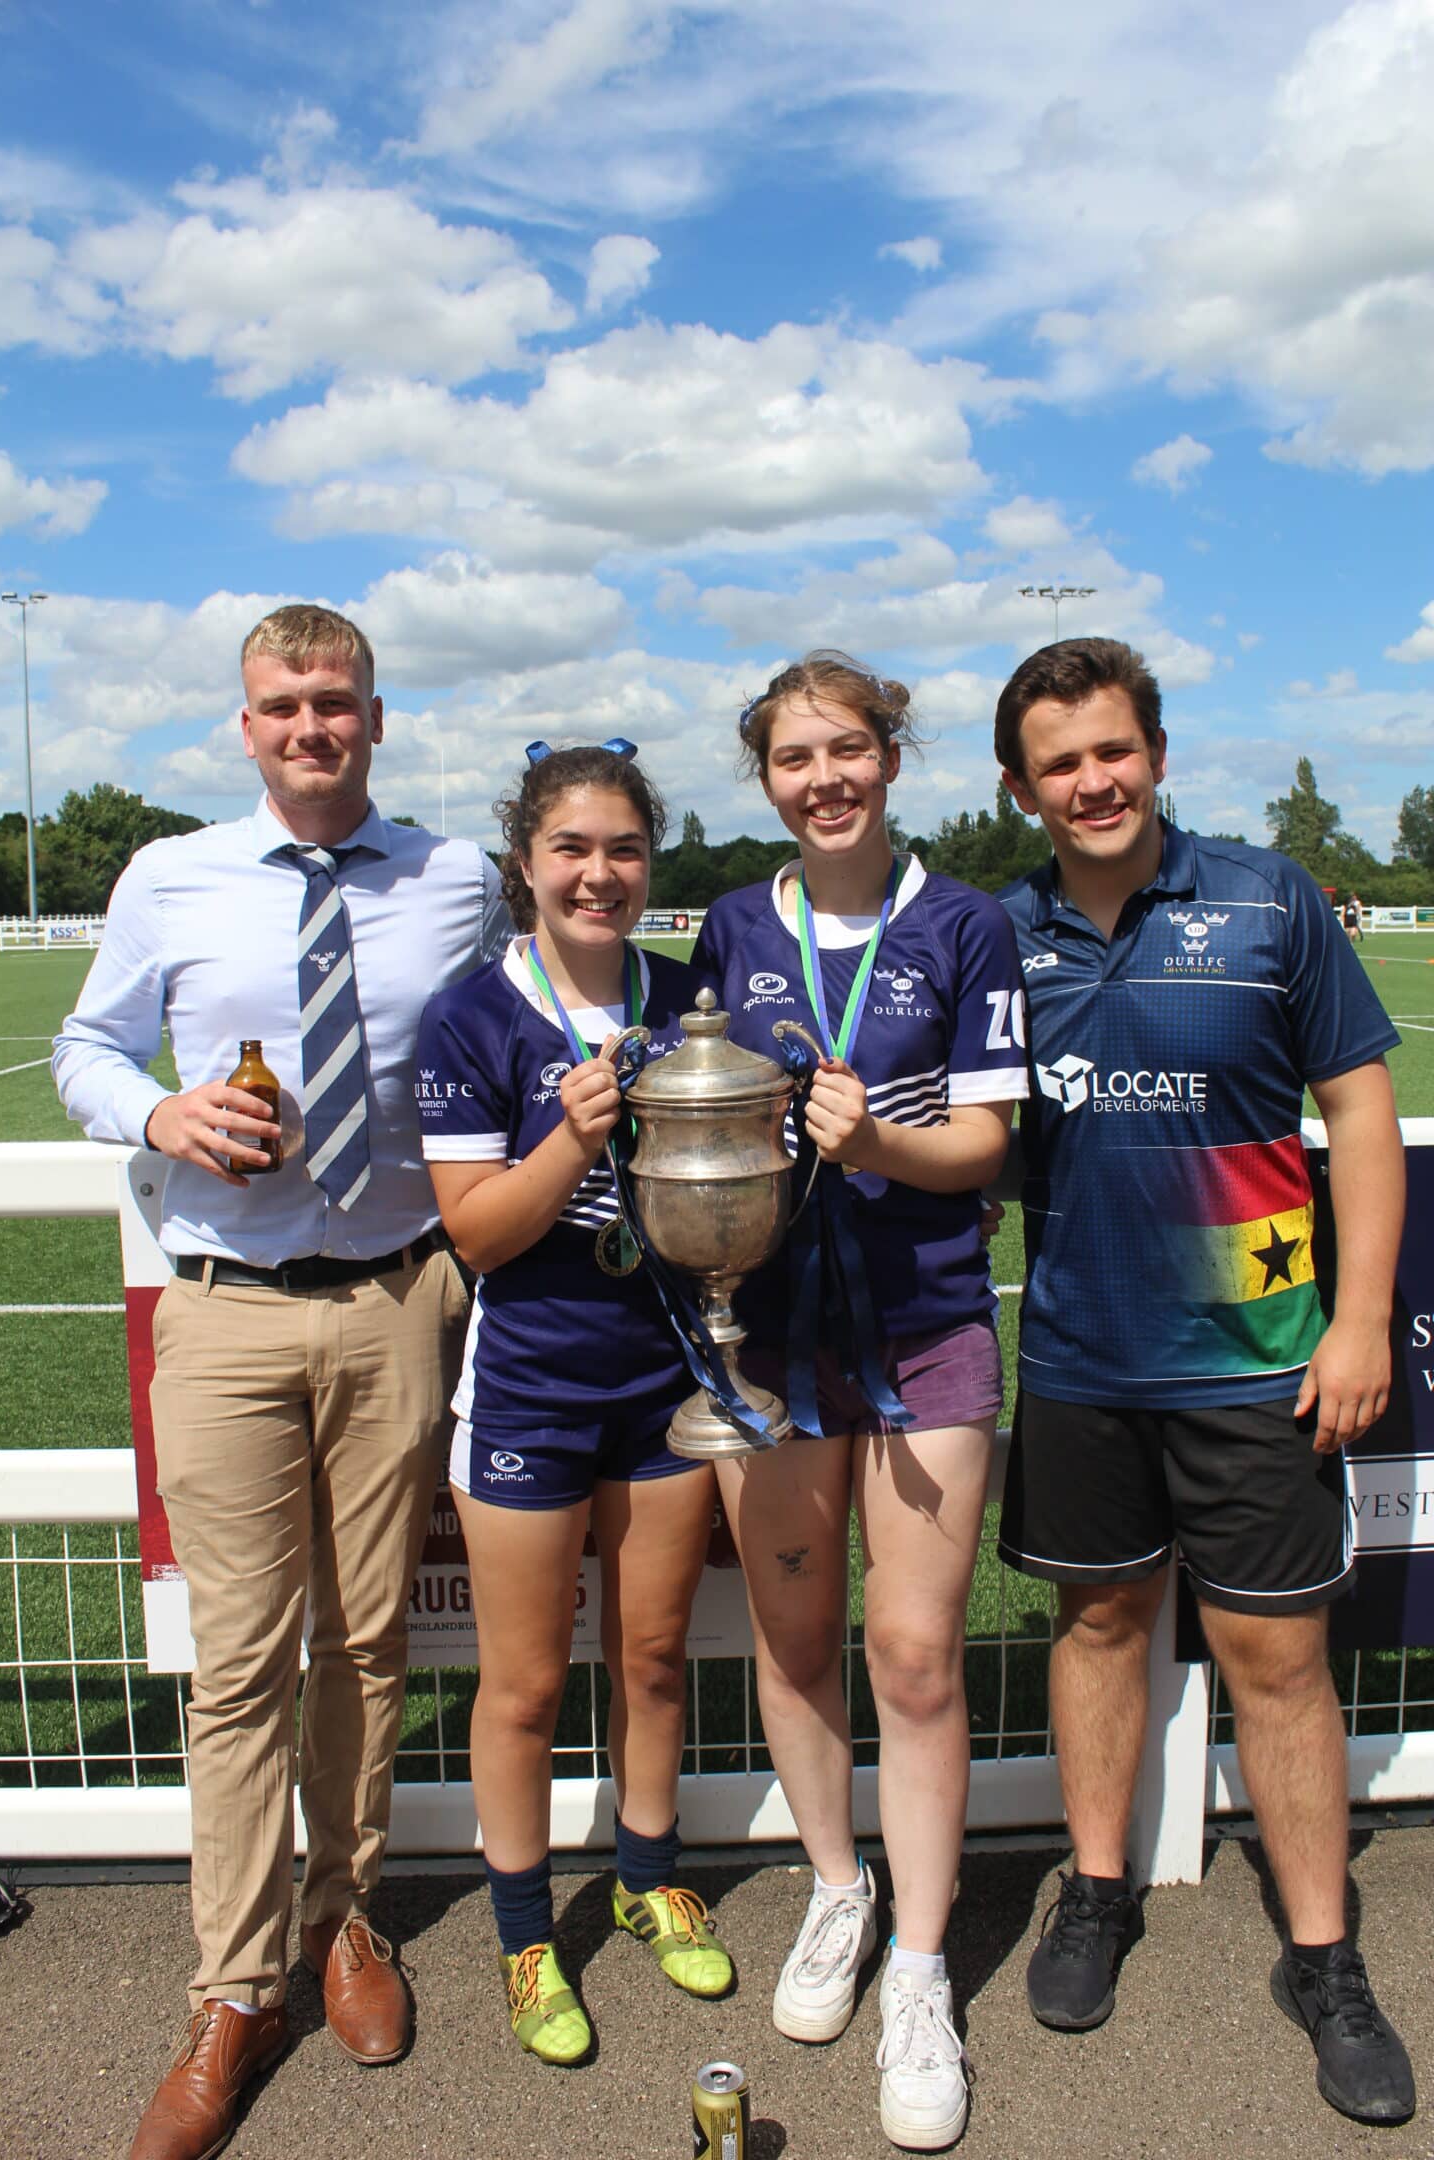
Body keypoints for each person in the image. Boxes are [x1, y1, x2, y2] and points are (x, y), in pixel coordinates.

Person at [53, 605, 511, 2160]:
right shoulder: (166, 877)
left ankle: (345, 1918)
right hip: (226, 1310)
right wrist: (156, 1114)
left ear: (376, 719)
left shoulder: (456, 879)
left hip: (395, 1303)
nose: (309, 727)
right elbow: (82, 1051)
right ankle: (235, 1987)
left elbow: (530, 1019)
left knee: (369, 1640)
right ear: (241, 727)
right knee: (240, 1664)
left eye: (335, 703)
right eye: (281, 706)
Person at [995, 637, 1414, 2127]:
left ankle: (1325, 1956)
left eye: (1114, 750)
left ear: (1157, 755)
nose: (1092, 781)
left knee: (1278, 1660)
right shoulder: (1001, 936)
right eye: (1060, 762)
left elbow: (1359, 1109)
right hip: (1082, 1358)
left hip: (1257, 1357)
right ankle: (1096, 1891)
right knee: (1099, 1620)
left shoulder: (1269, 898)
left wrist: (1358, 1319)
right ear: (1021, 787)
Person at [692, 653, 1028, 2152]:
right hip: (764, 1332)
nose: (822, 777)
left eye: (847, 749)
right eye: (792, 757)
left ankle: (919, 1967)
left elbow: (987, 1144)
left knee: (912, 1650)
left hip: (926, 1326)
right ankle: (837, 1887)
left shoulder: (965, 925)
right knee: (791, 1631)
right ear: (764, 778)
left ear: (892, 759)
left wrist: (884, 1150)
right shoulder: (729, 927)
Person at [416, 740, 732, 2067]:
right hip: (534, 1387)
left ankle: (648, 1872)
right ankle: (525, 1934)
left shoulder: (687, 996)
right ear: (525, 866)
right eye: (572, 849)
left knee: (655, 1660)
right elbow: (478, 1234)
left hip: (665, 1381)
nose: (598, 874)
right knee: (529, 1685)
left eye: (622, 849)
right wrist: (576, 1132)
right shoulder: (473, 1015)